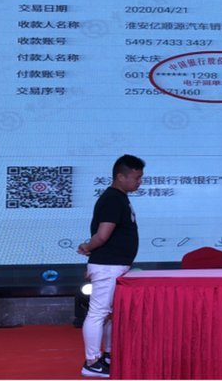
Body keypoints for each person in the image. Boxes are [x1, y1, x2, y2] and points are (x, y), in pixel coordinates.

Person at [77, 154, 145, 378]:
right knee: (98, 313)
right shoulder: (112, 199)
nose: (139, 182)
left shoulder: (119, 198)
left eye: (140, 177)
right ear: (120, 177)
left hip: (114, 265)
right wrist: (87, 247)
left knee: (109, 314)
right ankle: (92, 362)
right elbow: (102, 235)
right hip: (107, 266)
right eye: (136, 178)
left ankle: (106, 355)